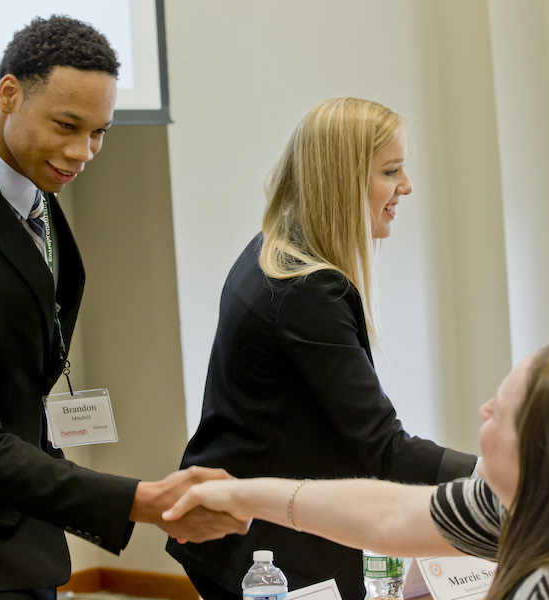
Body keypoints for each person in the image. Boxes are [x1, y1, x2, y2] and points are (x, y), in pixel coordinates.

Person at [0, 16, 246, 600]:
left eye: (100, 132)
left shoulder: (31, 192)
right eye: (67, 126)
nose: (83, 152)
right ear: (9, 94)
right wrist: (145, 500)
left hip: (23, 523)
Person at [165, 97, 478, 600]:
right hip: (264, 552)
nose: (406, 187)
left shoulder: (273, 251)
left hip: (250, 530)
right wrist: (496, 481)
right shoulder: (306, 289)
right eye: (391, 171)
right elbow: (385, 448)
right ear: (343, 179)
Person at [164, 341, 549, 600]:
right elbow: (387, 514)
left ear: (541, 456)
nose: (483, 409)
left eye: (501, 409)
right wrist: (242, 495)